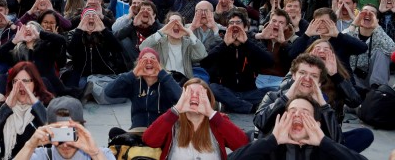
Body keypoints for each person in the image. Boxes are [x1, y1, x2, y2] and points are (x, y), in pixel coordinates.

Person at [227, 96, 366, 160]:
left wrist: (324, 142)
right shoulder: (269, 150)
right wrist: (271, 141)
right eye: (292, 112)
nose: (298, 115)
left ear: (316, 124)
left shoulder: (326, 152)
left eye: (305, 113)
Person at [143, 78, 248, 160]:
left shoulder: (218, 120)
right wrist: (176, 110)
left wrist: (211, 113)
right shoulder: (171, 121)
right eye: (190, 93)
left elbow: (242, 145)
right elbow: (149, 140)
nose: (194, 97)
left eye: (200, 94)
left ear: (208, 99)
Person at [0, 61, 53, 160]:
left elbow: (60, 136)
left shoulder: (48, 105)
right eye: (16, 81)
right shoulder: (3, 107)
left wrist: (36, 105)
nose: (21, 86)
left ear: (35, 83)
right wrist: (7, 107)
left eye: (25, 81)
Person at [13, 97, 115, 160]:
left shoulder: (102, 154)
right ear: (49, 131)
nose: (65, 144)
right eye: (59, 133)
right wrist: (30, 146)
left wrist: (95, 153)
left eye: (70, 133)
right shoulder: (43, 155)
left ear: (82, 130)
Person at [103, 48, 182, 128]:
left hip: (160, 131)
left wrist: (163, 75)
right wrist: (133, 73)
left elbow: (181, 99)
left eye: (153, 59)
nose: (149, 62)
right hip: (138, 130)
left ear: (159, 64)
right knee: (114, 132)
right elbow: (108, 92)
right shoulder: (134, 83)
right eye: (144, 59)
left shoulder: (166, 82)